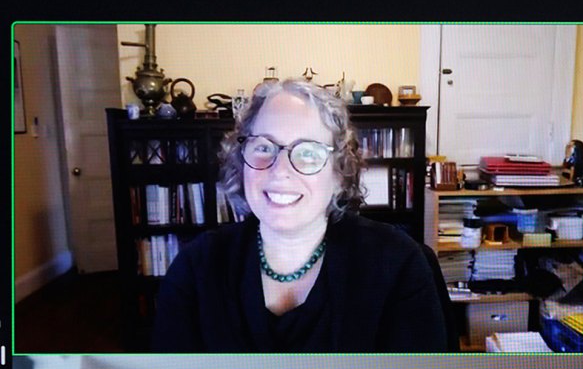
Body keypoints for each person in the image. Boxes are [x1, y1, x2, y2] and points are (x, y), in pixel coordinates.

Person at [152, 79, 451, 352]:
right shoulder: (195, 268)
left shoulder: (401, 266)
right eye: (264, 147)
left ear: (339, 173)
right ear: (240, 161)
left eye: (308, 152)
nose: (280, 170)